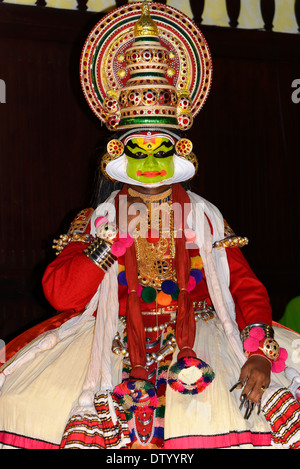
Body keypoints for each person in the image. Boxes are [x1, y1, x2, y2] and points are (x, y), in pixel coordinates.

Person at [1, 1, 300, 450]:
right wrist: (112, 243)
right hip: (108, 345)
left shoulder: (204, 217)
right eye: (136, 150)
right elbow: (60, 294)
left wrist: (258, 352)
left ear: (180, 151)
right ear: (117, 158)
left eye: (160, 146)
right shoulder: (96, 220)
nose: (150, 160)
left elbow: (246, 288)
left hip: (199, 340)